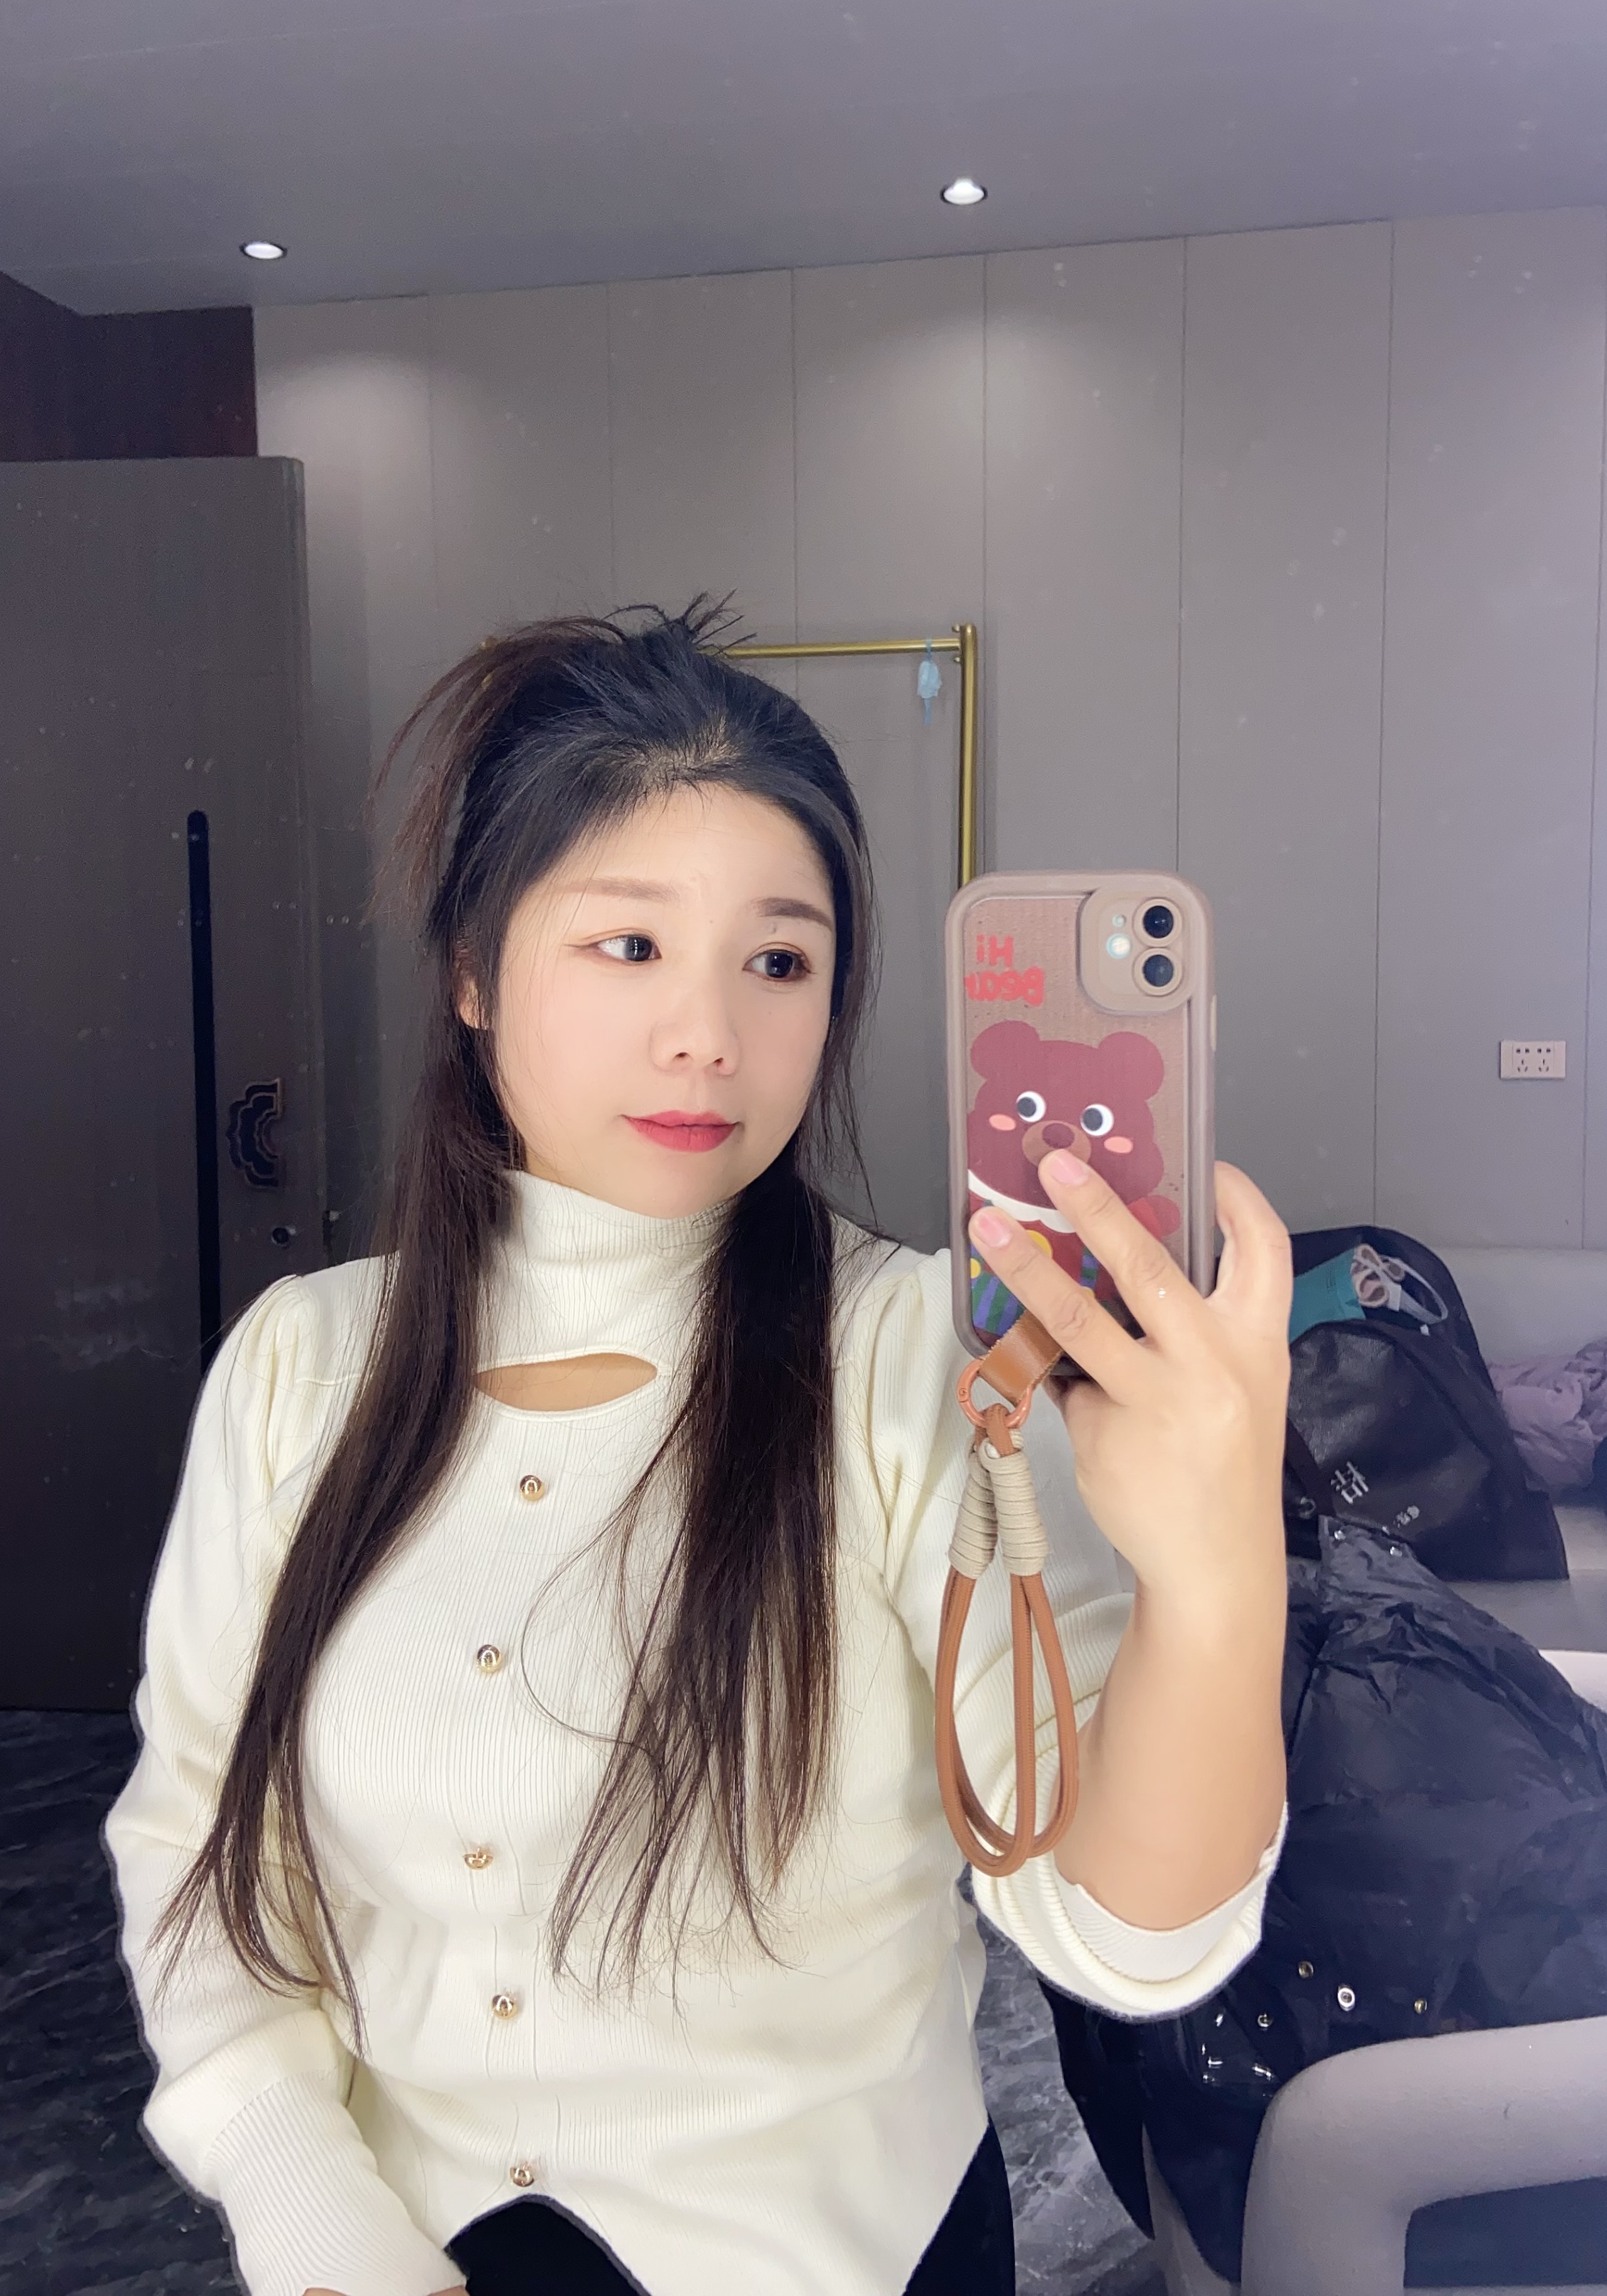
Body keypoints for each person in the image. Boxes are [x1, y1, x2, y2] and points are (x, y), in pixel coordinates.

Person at [106, 605, 1293, 2296]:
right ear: (470, 971)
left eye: (779, 961)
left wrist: (1219, 1575)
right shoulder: (302, 1369)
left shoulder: (914, 1364)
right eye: (629, 945)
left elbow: (1127, 1934)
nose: (709, 1035)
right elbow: (200, 1848)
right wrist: (301, 2189)